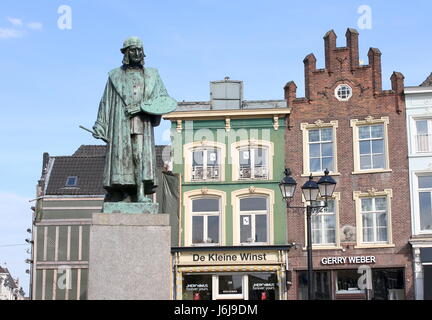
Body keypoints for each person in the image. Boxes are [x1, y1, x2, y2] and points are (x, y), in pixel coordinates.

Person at [92, 36, 176, 203]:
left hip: (142, 122)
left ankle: (140, 192)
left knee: (139, 156)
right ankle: (123, 192)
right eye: (133, 50)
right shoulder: (114, 75)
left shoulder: (152, 75)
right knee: (122, 157)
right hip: (120, 121)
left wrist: (142, 108)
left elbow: (163, 99)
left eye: (139, 50)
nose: (137, 53)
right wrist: (100, 123)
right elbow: (106, 100)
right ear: (126, 53)